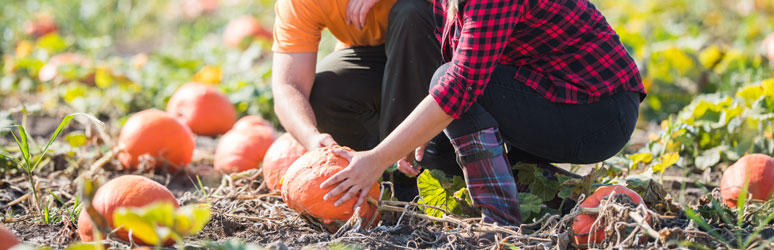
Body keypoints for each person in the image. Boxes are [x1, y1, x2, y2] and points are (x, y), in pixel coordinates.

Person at [320, 0, 646, 226]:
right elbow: (454, 52)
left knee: (446, 88)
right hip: (544, 93)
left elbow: (459, 85)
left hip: (599, 112)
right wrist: (418, 135)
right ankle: (569, 195)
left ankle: (500, 221)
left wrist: (377, 158)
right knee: (435, 153)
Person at [271, 0, 443, 200]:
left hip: (443, 55)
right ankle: (389, 177)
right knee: (325, 92)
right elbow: (289, 86)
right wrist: (311, 137)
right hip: (378, 62)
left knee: (411, 12)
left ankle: (433, 166)